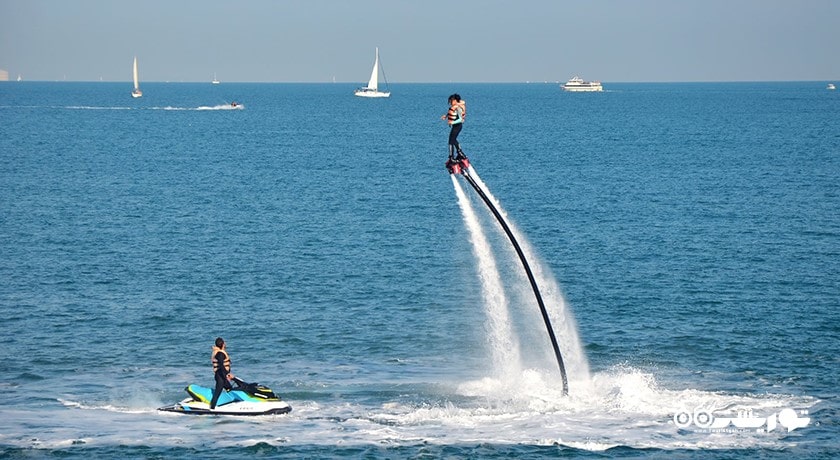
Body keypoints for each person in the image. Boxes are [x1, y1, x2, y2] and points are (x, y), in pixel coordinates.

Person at [209, 337, 234, 409]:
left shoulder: (218, 352)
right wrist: (227, 374)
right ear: (223, 344)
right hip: (220, 376)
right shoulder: (220, 353)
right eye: (224, 343)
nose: (225, 344)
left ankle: (233, 405)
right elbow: (221, 365)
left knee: (230, 389)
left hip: (221, 375)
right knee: (217, 392)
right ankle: (212, 408)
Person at [441, 93, 466, 161]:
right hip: (455, 126)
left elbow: (461, 119)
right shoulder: (455, 107)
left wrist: (452, 122)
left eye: (451, 101)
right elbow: (451, 112)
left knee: (451, 141)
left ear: (455, 100)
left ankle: (451, 157)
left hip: (458, 126)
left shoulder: (458, 108)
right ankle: (460, 153)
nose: (450, 103)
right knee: (453, 140)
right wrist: (446, 116)